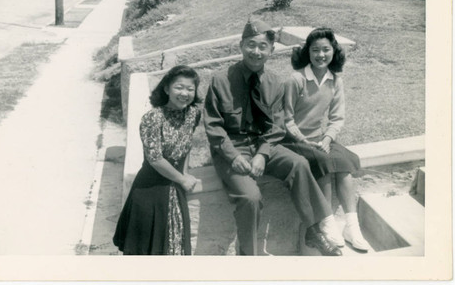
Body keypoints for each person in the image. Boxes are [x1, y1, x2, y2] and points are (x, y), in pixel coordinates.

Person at [203, 18, 342, 256]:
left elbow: (276, 126)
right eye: (251, 45)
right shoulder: (220, 79)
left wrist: (262, 155)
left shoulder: (275, 83)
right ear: (241, 45)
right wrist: (233, 156)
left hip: (262, 144)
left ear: (272, 51)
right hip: (231, 147)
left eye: (262, 47)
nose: (256, 52)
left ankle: (312, 229)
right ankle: (249, 256)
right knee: (250, 197)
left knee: (298, 163)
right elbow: (213, 126)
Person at [282, 27, 369, 252]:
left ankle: (352, 226)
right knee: (323, 162)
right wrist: (303, 139)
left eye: (326, 50)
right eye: (315, 50)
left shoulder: (335, 81)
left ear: (334, 52)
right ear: (307, 53)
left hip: (319, 138)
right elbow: (286, 118)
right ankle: (327, 223)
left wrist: (328, 138)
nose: (321, 55)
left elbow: (337, 117)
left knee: (344, 163)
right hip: (292, 140)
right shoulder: (296, 79)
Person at [113, 65, 202, 255]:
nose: (184, 93)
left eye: (190, 89)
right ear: (166, 88)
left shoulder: (193, 114)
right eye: (179, 87)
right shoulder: (152, 118)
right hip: (150, 192)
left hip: (175, 188)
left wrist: (184, 172)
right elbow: (155, 159)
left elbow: (186, 144)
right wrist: (182, 179)